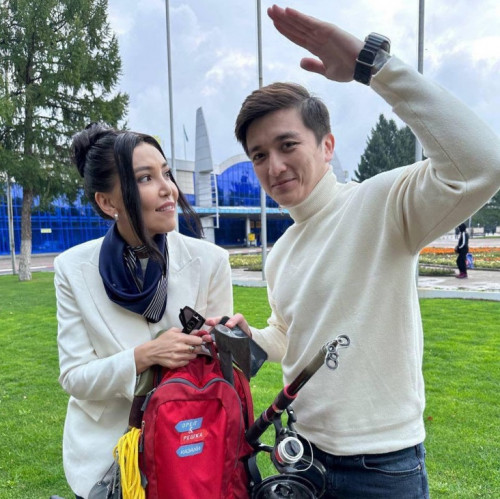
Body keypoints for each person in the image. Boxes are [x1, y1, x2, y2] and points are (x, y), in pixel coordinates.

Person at [207, 5, 500, 498]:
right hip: (302, 456)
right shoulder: (282, 251)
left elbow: (481, 165)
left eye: (287, 145)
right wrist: (249, 338)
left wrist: (375, 67)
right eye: (259, 155)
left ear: (327, 146)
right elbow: (289, 333)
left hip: (381, 470)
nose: (273, 166)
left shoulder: (381, 203)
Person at [54, 123, 233, 498]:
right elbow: (74, 377)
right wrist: (144, 356)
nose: (168, 188)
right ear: (108, 203)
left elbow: (221, 374)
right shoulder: (72, 268)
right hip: (103, 456)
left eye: (166, 173)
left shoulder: (210, 261)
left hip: (186, 448)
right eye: (145, 178)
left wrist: (231, 343)